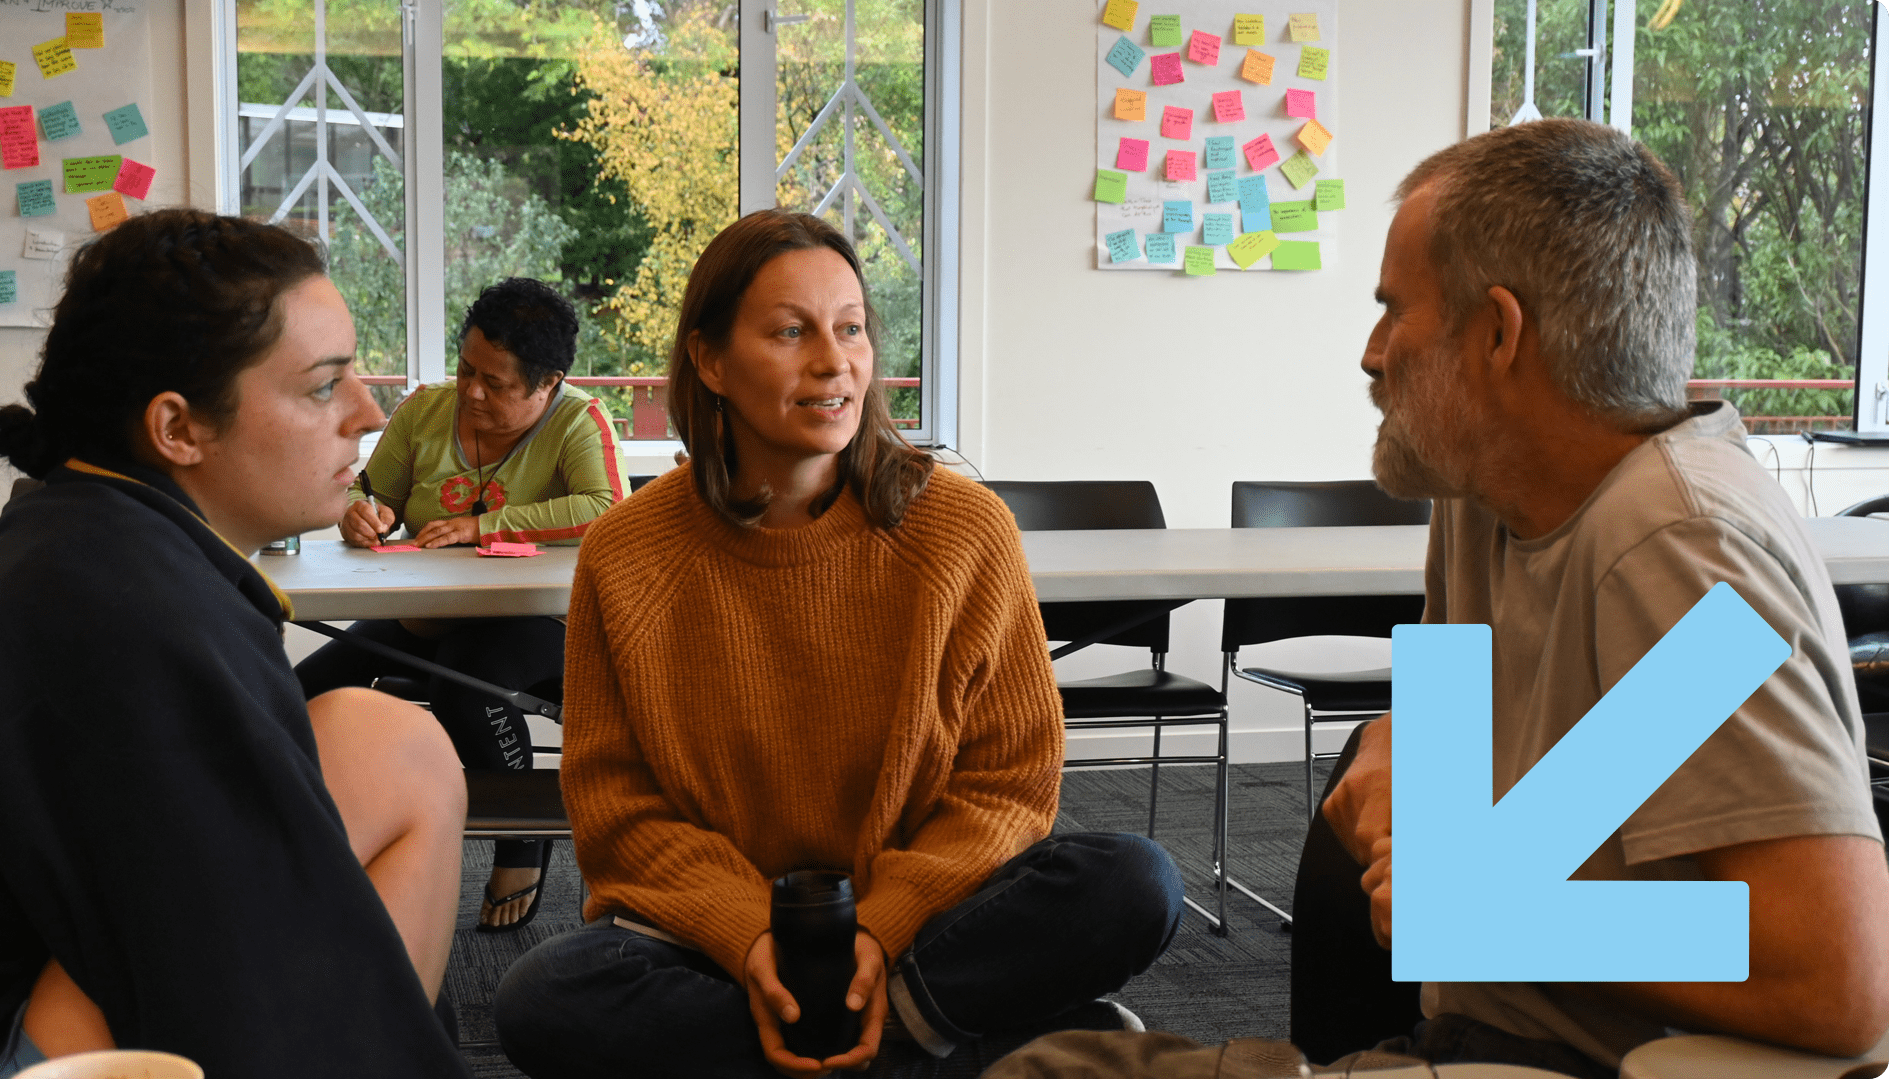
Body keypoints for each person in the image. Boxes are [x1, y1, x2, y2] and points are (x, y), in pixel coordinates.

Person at [490, 210, 1184, 1079]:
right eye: (791, 332)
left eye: (851, 328)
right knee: (543, 997)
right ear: (708, 361)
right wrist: (749, 936)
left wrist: (885, 929)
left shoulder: (966, 528)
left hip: (925, 920)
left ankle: (849, 1038)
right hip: (722, 939)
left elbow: (1009, 779)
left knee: (1134, 882)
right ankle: (949, 1044)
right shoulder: (625, 554)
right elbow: (618, 810)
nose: (835, 361)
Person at [1306, 117, 1887, 1075]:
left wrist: (1478, 905)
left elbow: (1835, 980)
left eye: (1394, 311)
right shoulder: (1484, 492)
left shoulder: (1671, 542)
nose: (1373, 355)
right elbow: (1460, 786)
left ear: (1498, 334)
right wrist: (1391, 744)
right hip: (1457, 1031)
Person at [0, 208, 469, 1077]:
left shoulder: (85, 535)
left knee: (387, 737)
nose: (368, 412)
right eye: (323, 386)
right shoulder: (134, 613)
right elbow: (215, 968)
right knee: (397, 751)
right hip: (25, 1054)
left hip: (52, 983)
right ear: (177, 429)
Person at [293, 277, 630, 932]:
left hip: (532, 622)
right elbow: (364, 493)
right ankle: (303, 848)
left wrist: (487, 525)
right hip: (425, 613)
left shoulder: (578, 420)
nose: (472, 392)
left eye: (496, 384)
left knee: (468, 686)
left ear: (548, 383)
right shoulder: (425, 410)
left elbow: (606, 508)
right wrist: (360, 517)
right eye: (466, 368)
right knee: (295, 693)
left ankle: (522, 842)